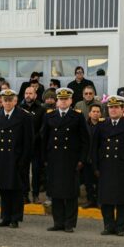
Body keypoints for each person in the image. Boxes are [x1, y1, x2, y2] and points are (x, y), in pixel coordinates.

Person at [41, 88, 89, 233]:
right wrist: (44, 158)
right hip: (54, 159)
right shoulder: (50, 116)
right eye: (60, 99)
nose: (63, 102)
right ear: (57, 101)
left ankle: (69, 223)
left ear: (70, 101)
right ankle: (58, 222)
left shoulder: (77, 116)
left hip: (71, 160)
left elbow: (85, 140)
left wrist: (82, 159)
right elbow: (44, 138)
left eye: (65, 99)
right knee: (56, 193)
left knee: (70, 193)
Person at [91, 95, 124, 236]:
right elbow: (94, 148)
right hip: (105, 166)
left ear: (121, 109)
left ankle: (120, 227)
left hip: (122, 168)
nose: (113, 110)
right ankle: (108, 225)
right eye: (111, 107)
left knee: (121, 199)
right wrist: (95, 167)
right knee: (106, 199)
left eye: (116, 107)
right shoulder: (101, 124)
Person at [0, 89, 33, 228]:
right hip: (1, 157)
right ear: (1, 101)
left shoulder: (24, 116)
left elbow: (28, 141)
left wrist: (24, 160)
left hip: (16, 159)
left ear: (15, 101)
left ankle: (15, 218)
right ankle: (5, 217)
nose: (7, 103)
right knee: (3, 188)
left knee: (16, 190)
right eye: (5, 100)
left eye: (10, 100)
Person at [19, 86, 46, 204]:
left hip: (37, 146)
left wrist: (33, 139)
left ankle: (35, 195)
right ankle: (25, 195)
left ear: (35, 95)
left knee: (36, 172)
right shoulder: (19, 109)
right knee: (23, 171)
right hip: (23, 147)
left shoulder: (41, 109)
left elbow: (43, 128)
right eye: (26, 93)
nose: (28, 95)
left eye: (30, 93)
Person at [82, 104, 104, 209]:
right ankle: (90, 200)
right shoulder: (84, 125)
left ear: (101, 113)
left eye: (98, 111)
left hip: (100, 159)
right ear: (89, 113)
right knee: (88, 181)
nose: (95, 113)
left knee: (100, 181)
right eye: (93, 111)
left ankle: (99, 201)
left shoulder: (104, 125)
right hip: (87, 158)